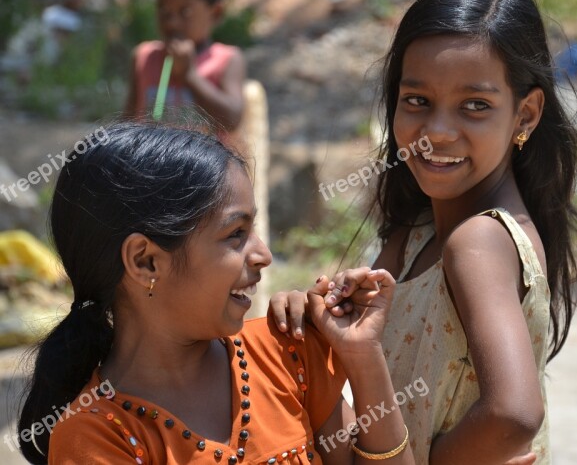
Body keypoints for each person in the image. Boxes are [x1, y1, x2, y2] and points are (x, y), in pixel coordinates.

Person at [269, 0, 577, 464]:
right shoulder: (418, 233)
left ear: (525, 116)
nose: (437, 132)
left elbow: (513, 414)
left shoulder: (478, 243)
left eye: (475, 106)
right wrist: (312, 325)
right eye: (418, 101)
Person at [16, 122, 413, 465]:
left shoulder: (286, 355)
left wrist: (363, 357)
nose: (264, 255)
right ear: (146, 261)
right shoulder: (99, 437)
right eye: (235, 234)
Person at [122, 0, 246, 145]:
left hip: (203, 174)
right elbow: (127, 121)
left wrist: (190, 76)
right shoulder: (144, 57)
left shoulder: (227, 60)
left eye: (185, 12)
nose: (172, 22)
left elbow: (232, 120)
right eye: (163, 10)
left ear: (215, 12)